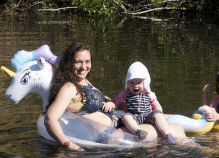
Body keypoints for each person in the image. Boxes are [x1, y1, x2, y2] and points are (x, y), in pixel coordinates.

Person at [43, 43, 186, 150]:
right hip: (109, 135)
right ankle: (203, 152)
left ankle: (205, 120)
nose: (84, 66)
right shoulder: (70, 87)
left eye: (87, 61)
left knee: (166, 117)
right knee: (177, 130)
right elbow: (50, 118)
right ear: (69, 63)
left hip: (122, 120)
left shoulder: (84, 82)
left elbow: (106, 101)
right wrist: (68, 144)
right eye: (78, 62)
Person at [103, 62, 177, 144]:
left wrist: (159, 113)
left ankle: (167, 134)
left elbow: (157, 106)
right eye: (132, 82)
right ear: (127, 82)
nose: (135, 86)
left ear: (144, 82)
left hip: (147, 116)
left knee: (157, 114)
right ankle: (138, 132)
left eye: (139, 82)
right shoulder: (125, 94)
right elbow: (115, 102)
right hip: (134, 117)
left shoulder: (149, 94)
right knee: (126, 117)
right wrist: (110, 104)